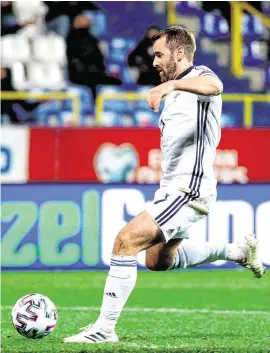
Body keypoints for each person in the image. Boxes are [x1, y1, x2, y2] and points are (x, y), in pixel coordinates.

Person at [64, 26, 265, 344]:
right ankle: (236, 251)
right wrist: (169, 89)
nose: (155, 62)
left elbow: (215, 85)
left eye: (159, 54)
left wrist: (172, 84)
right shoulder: (173, 94)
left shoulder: (199, 77)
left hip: (189, 190)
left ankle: (104, 329)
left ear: (179, 52)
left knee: (124, 241)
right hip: (173, 189)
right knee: (157, 261)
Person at [66, 14, 121, 100]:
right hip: (80, 73)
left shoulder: (92, 38)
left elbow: (99, 57)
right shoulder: (72, 38)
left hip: (95, 72)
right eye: (82, 21)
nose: (86, 23)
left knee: (117, 82)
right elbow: (79, 57)